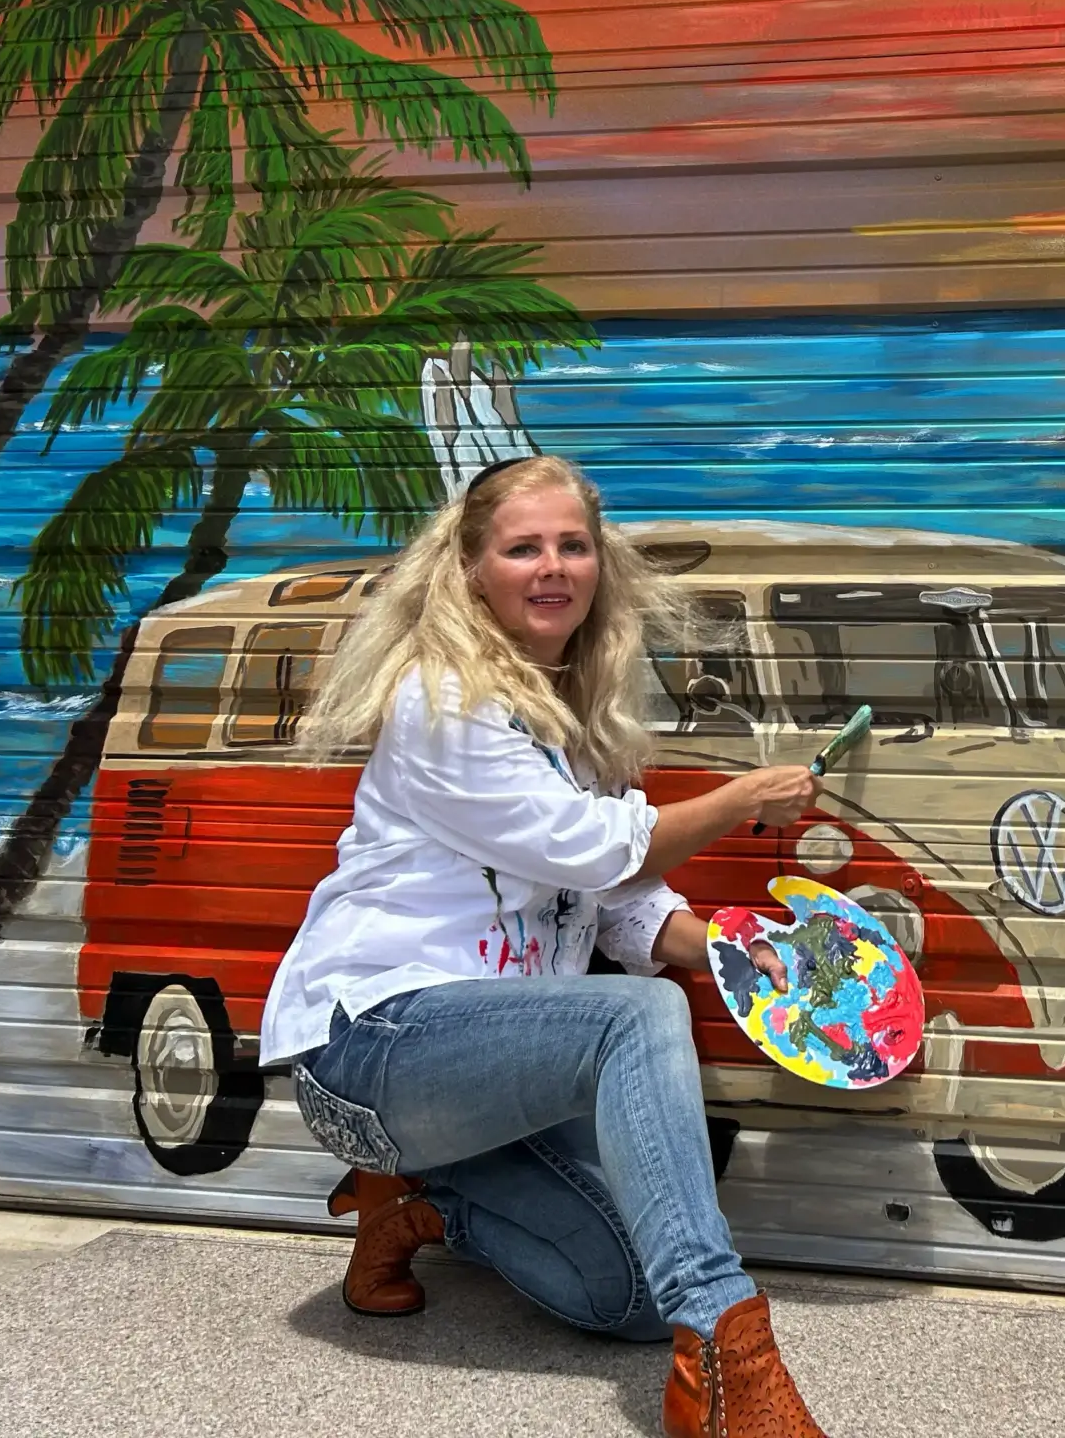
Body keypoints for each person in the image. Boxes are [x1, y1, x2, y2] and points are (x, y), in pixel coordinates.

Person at [259, 454, 832, 1438]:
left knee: (632, 1304)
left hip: (487, 1069)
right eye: (523, 546)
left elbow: (619, 903)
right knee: (635, 1019)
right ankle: (732, 1358)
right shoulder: (443, 704)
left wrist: (742, 953)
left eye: (572, 545)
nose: (552, 565)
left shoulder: (566, 725)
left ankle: (419, 1211)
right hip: (371, 1050)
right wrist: (741, 800)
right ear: (472, 568)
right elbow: (597, 847)